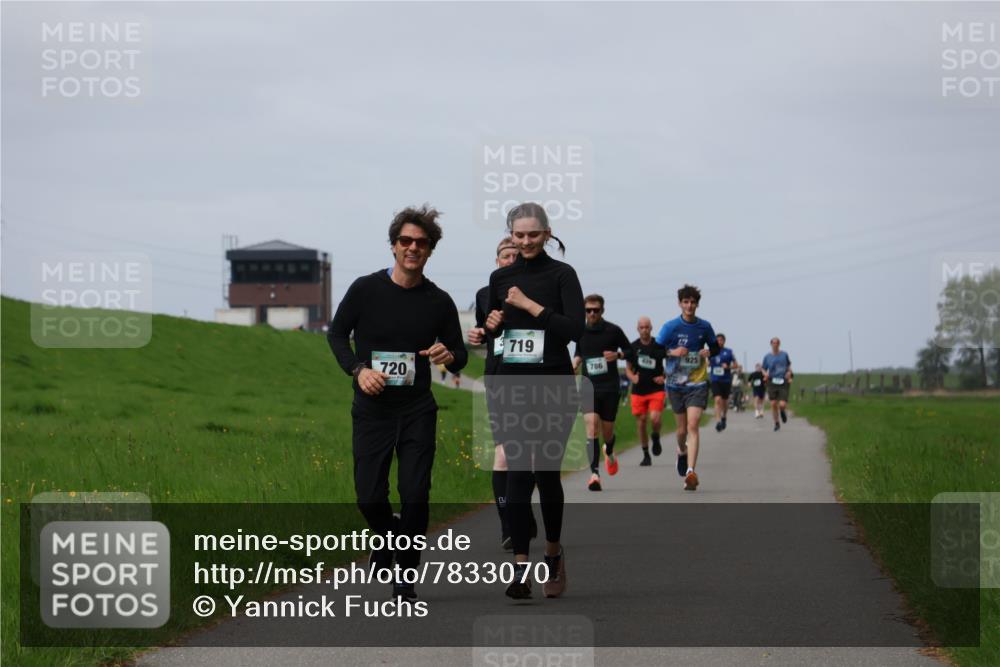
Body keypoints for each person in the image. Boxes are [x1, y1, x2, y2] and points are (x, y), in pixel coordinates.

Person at [327, 205, 468, 601]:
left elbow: (459, 354)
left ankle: (405, 575)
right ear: (393, 245)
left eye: (421, 243)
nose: (413, 248)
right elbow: (336, 335)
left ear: (430, 250)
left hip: (416, 409)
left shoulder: (438, 301)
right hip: (372, 410)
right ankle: (387, 536)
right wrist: (358, 370)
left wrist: (448, 355)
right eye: (406, 240)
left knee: (415, 494)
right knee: (369, 497)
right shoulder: (365, 289)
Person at [484, 202, 583, 599]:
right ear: (511, 235)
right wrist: (490, 326)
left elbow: (573, 330)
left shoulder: (562, 275)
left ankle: (553, 554)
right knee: (518, 473)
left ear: (547, 233)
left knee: (546, 473)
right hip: (513, 386)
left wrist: (530, 306)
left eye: (533, 234)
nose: (525, 242)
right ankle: (520, 569)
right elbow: (495, 332)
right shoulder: (500, 278)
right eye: (519, 235)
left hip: (554, 386)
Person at [467, 237, 537, 550]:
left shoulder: (536, 290)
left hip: (532, 380)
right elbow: (486, 331)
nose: (510, 260)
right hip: (498, 378)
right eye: (505, 256)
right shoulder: (485, 294)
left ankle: (522, 511)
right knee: (504, 455)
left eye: (514, 255)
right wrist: (479, 334)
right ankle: (508, 524)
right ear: (497, 261)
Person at [656, 284, 720, 491]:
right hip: (675, 384)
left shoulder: (704, 327)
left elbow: (715, 347)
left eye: (693, 302)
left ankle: (691, 472)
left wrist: (709, 352)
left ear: (697, 304)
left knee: (693, 425)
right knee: (681, 430)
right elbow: (655, 351)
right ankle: (681, 451)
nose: (689, 306)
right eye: (686, 302)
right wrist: (672, 352)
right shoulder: (670, 327)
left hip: (697, 383)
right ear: (680, 304)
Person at [573, 294, 632, 491]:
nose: (592, 314)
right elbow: (579, 351)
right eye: (588, 310)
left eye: (595, 310)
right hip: (588, 387)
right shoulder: (580, 331)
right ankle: (594, 474)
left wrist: (618, 355)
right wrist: (576, 361)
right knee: (591, 428)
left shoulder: (613, 331)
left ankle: (610, 449)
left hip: (609, 387)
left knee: (607, 433)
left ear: (602, 311)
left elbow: (631, 351)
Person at [625, 316, 667, 467]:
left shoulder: (659, 345)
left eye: (647, 327)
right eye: (641, 327)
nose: (644, 330)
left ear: (651, 328)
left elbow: (670, 363)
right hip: (638, 390)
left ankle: (655, 436)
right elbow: (628, 368)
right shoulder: (633, 347)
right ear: (638, 329)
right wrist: (633, 378)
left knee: (655, 418)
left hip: (656, 388)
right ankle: (646, 454)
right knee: (642, 421)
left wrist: (664, 376)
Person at [762, 337, 793, 432]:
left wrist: (789, 373)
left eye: (776, 343)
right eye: (773, 343)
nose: (775, 345)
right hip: (772, 381)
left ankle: (782, 411)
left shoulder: (784, 355)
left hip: (783, 381)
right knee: (773, 403)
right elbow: (763, 368)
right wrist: (765, 374)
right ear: (771, 344)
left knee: (782, 404)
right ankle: (776, 423)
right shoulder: (767, 357)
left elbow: (789, 366)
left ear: (779, 344)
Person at [708, 333, 737, 432]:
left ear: (724, 341)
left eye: (721, 340)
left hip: (726, 380)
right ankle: (718, 421)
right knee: (717, 400)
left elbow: (736, 365)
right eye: (717, 340)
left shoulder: (729, 352)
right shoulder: (711, 351)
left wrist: (728, 367)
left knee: (725, 402)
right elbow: (707, 363)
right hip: (715, 379)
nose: (719, 342)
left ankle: (724, 417)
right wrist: (707, 363)